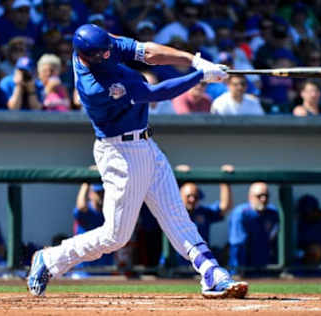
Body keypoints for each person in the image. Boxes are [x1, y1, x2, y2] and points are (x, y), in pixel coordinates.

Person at [27, 23, 248, 299]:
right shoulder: (97, 86)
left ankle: (211, 272)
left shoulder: (101, 44)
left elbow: (149, 53)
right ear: (89, 56)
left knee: (176, 216)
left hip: (145, 145)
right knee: (115, 236)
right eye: (104, 54)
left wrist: (193, 59)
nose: (111, 54)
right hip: (120, 155)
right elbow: (154, 93)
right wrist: (199, 77)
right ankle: (50, 260)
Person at [228, 182, 279, 275]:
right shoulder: (241, 213)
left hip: (266, 267)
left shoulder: (273, 213)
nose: (264, 199)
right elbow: (237, 245)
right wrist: (238, 271)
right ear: (250, 197)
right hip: (244, 268)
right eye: (259, 196)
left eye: (266, 195)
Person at [72, 178, 113, 267]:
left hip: (105, 269)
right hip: (83, 269)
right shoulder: (87, 212)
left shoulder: (110, 213)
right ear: (90, 194)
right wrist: (87, 179)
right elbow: (81, 206)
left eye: (103, 192)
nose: (102, 195)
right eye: (98, 193)